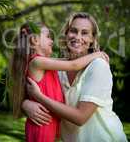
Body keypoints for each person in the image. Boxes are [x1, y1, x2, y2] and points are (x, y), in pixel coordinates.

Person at [23, 12, 128, 142]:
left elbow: (80, 118)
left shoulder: (98, 66)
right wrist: (25, 104)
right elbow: (31, 86)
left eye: (84, 33)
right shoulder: (57, 69)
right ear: (66, 34)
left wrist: (39, 97)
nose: (78, 37)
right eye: (73, 31)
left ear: (92, 39)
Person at [11, 21, 107, 142]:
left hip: (48, 123)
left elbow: (68, 61)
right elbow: (73, 65)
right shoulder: (38, 62)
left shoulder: (45, 63)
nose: (52, 41)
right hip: (42, 122)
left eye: (84, 33)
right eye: (48, 37)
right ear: (35, 40)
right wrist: (97, 54)